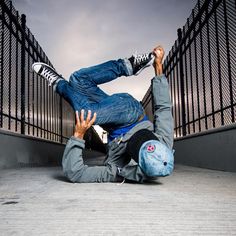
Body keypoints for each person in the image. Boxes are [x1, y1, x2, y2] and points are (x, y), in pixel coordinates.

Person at [32, 45, 174, 183]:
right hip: (131, 112)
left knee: (78, 79)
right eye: (146, 139)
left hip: (111, 123)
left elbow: (76, 173)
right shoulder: (165, 144)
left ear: (138, 164)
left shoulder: (119, 170)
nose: (137, 138)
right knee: (87, 114)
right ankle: (129, 65)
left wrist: (78, 136)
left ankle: (60, 84)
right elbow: (163, 108)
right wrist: (158, 67)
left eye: (137, 144)